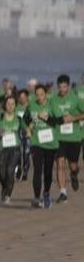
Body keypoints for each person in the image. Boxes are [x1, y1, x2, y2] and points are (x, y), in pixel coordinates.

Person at [50, 74, 83, 202]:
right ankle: (63, 192)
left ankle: (74, 173)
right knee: (60, 164)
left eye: (64, 87)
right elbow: (51, 118)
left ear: (68, 86)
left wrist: (73, 118)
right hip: (59, 138)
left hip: (74, 137)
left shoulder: (76, 99)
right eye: (60, 87)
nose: (62, 89)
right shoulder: (53, 100)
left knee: (73, 164)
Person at [25, 84, 60, 209]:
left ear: (46, 94)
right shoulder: (32, 105)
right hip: (36, 142)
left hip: (50, 142)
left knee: (48, 171)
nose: (39, 97)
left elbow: (57, 121)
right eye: (37, 94)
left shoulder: (52, 104)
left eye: (42, 94)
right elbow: (25, 118)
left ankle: (46, 193)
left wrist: (47, 118)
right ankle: (36, 197)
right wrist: (28, 128)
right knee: (37, 170)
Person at [0, 95, 26, 204]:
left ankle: (8, 195)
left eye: (13, 104)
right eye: (8, 104)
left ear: (15, 106)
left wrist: (29, 132)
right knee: (2, 174)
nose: (10, 106)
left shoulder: (19, 119)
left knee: (10, 171)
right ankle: (4, 188)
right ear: (5, 105)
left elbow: (26, 130)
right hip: (2, 148)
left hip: (15, 148)